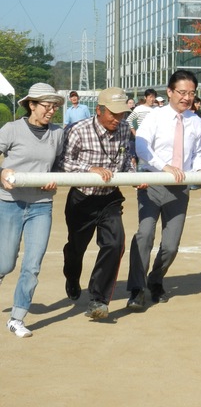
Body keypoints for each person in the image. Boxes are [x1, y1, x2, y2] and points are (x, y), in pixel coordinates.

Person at [126, 70, 201, 310]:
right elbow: (141, 145)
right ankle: (137, 289)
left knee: (171, 245)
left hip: (180, 189)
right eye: (182, 92)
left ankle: (156, 279)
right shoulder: (155, 117)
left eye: (191, 93)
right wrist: (164, 167)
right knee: (146, 234)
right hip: (153, 182)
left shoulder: (195, 120)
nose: (187, 97)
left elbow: (199, 151)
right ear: (169, 92)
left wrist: (199, 171)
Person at [60, 87, 134, 319]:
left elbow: (127, 160)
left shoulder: (124, 129)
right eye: (113, 113)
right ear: (99, 110)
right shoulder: (79, 130)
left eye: (122, 114)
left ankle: (98, 299)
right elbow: (63, 162)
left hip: (109, 198)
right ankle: (72, 276)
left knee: (115, 244)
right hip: (82, 199)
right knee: (76, 248)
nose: (117, 119)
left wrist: (135, 175)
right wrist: (89, 170)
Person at [0, 83, 65, 337]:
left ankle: (17, 317)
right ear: (32, 105)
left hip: (41, 206)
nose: (51, 111)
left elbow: (61, 165)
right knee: (5, 263)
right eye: (46, 106)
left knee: (33, 264)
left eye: (54, 107)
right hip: (9, 202)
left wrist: (55, 177)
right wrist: (2, 172)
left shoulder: (58, 133)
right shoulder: (11, 129)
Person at [127, 88, 157, 162]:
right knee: (143, 160)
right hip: (143, 138)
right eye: (150, 97)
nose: (152, 99)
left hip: (154, 139)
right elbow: (129, 120)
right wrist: (135, 133)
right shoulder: (139, 109)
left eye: (153, 97)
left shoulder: (157, 109)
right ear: (145, 97)